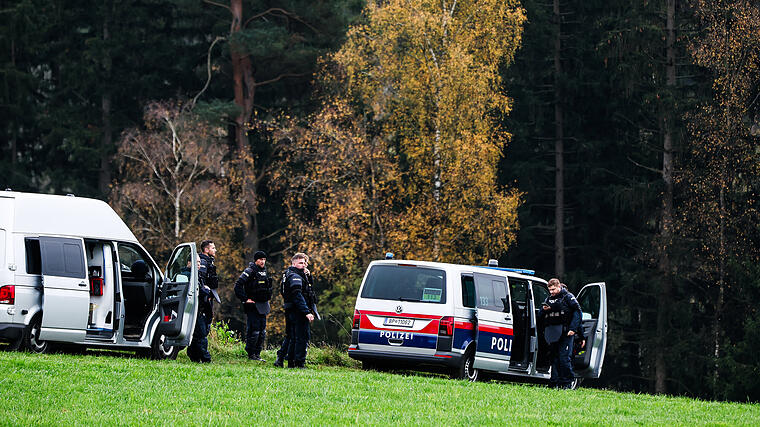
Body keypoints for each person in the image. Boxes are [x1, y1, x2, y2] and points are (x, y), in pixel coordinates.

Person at [274, 252, 315, 368]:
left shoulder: (288, 274)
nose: (304, 265)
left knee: (291, 336)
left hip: (291, 308)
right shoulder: (295, 276)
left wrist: (308, 276)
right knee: (301, 337)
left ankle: (285, 360)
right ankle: (298, 363)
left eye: (305, 263)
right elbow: (298, 295)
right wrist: (306, 311)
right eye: (301, 263)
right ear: (294, 263)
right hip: (297, 310)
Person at [539, 278, 582, 389]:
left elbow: (578, 312)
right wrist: (544, 310)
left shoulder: (568, 297)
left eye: (553, 289)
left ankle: (567, 383)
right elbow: (540, 315)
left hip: (566, 333)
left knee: (564, 358)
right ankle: (554, 383)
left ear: (559, 286)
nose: (552, 292)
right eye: (550, 290)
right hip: (553, 333)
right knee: (554, 358)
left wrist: (573, 329)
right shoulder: (549, 299)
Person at [234, 250, 273, 361]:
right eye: (261, 259)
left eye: (264, 260)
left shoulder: (264, 271)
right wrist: (245, 299)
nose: (263, 262)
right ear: (256, 260)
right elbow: (238, 285)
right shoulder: (249, 271)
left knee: (262, 331)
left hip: (263, 305)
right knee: (254, 330)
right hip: (253, 306)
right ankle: (251, 354)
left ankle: (257, 354)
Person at [188, 240, 218, 363]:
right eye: (213, 248)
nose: (215, 250)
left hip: (205, 301)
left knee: (201, 330)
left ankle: (195, 356)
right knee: (201, 331)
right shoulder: (204, 263)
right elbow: (200, 284)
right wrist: (206, 293)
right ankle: (201, 357)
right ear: (206, 250)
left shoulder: (208, 262)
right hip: (202, 302)